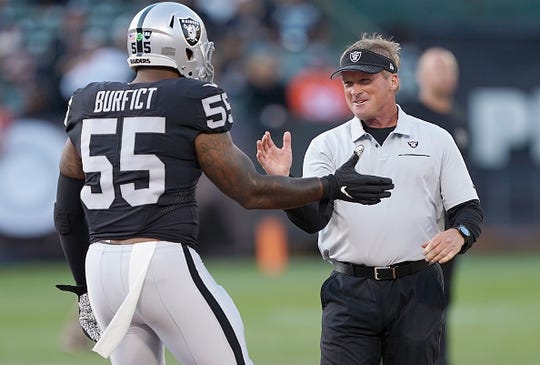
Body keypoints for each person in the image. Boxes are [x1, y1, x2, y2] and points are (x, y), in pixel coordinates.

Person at [53, 4, 394, 365]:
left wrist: (84, 290)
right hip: (160, 261)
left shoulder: (87, 102)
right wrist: (330, 185)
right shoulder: (192, 99)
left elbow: (66, 212)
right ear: (178, 46)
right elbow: (248, 190)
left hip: (101, 266)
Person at [256, 33, 483, 365]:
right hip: (350, 290)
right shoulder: (327, 145)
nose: (354, 90)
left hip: (417, 288)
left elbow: (468, 210)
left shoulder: (436, 139)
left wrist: (458, 234)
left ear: (393, 81)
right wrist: (285, 183)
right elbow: (311, 221)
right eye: (348, 82)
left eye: (365, 80)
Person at [402, 47, 469, 365]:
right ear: (420, 76)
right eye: (437, 67)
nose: (445, 73)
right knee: (409, 309)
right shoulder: (409, 117)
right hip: (411, 230)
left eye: (449, 67)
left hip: (447, 230)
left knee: (440, 304)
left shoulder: (458, 120)